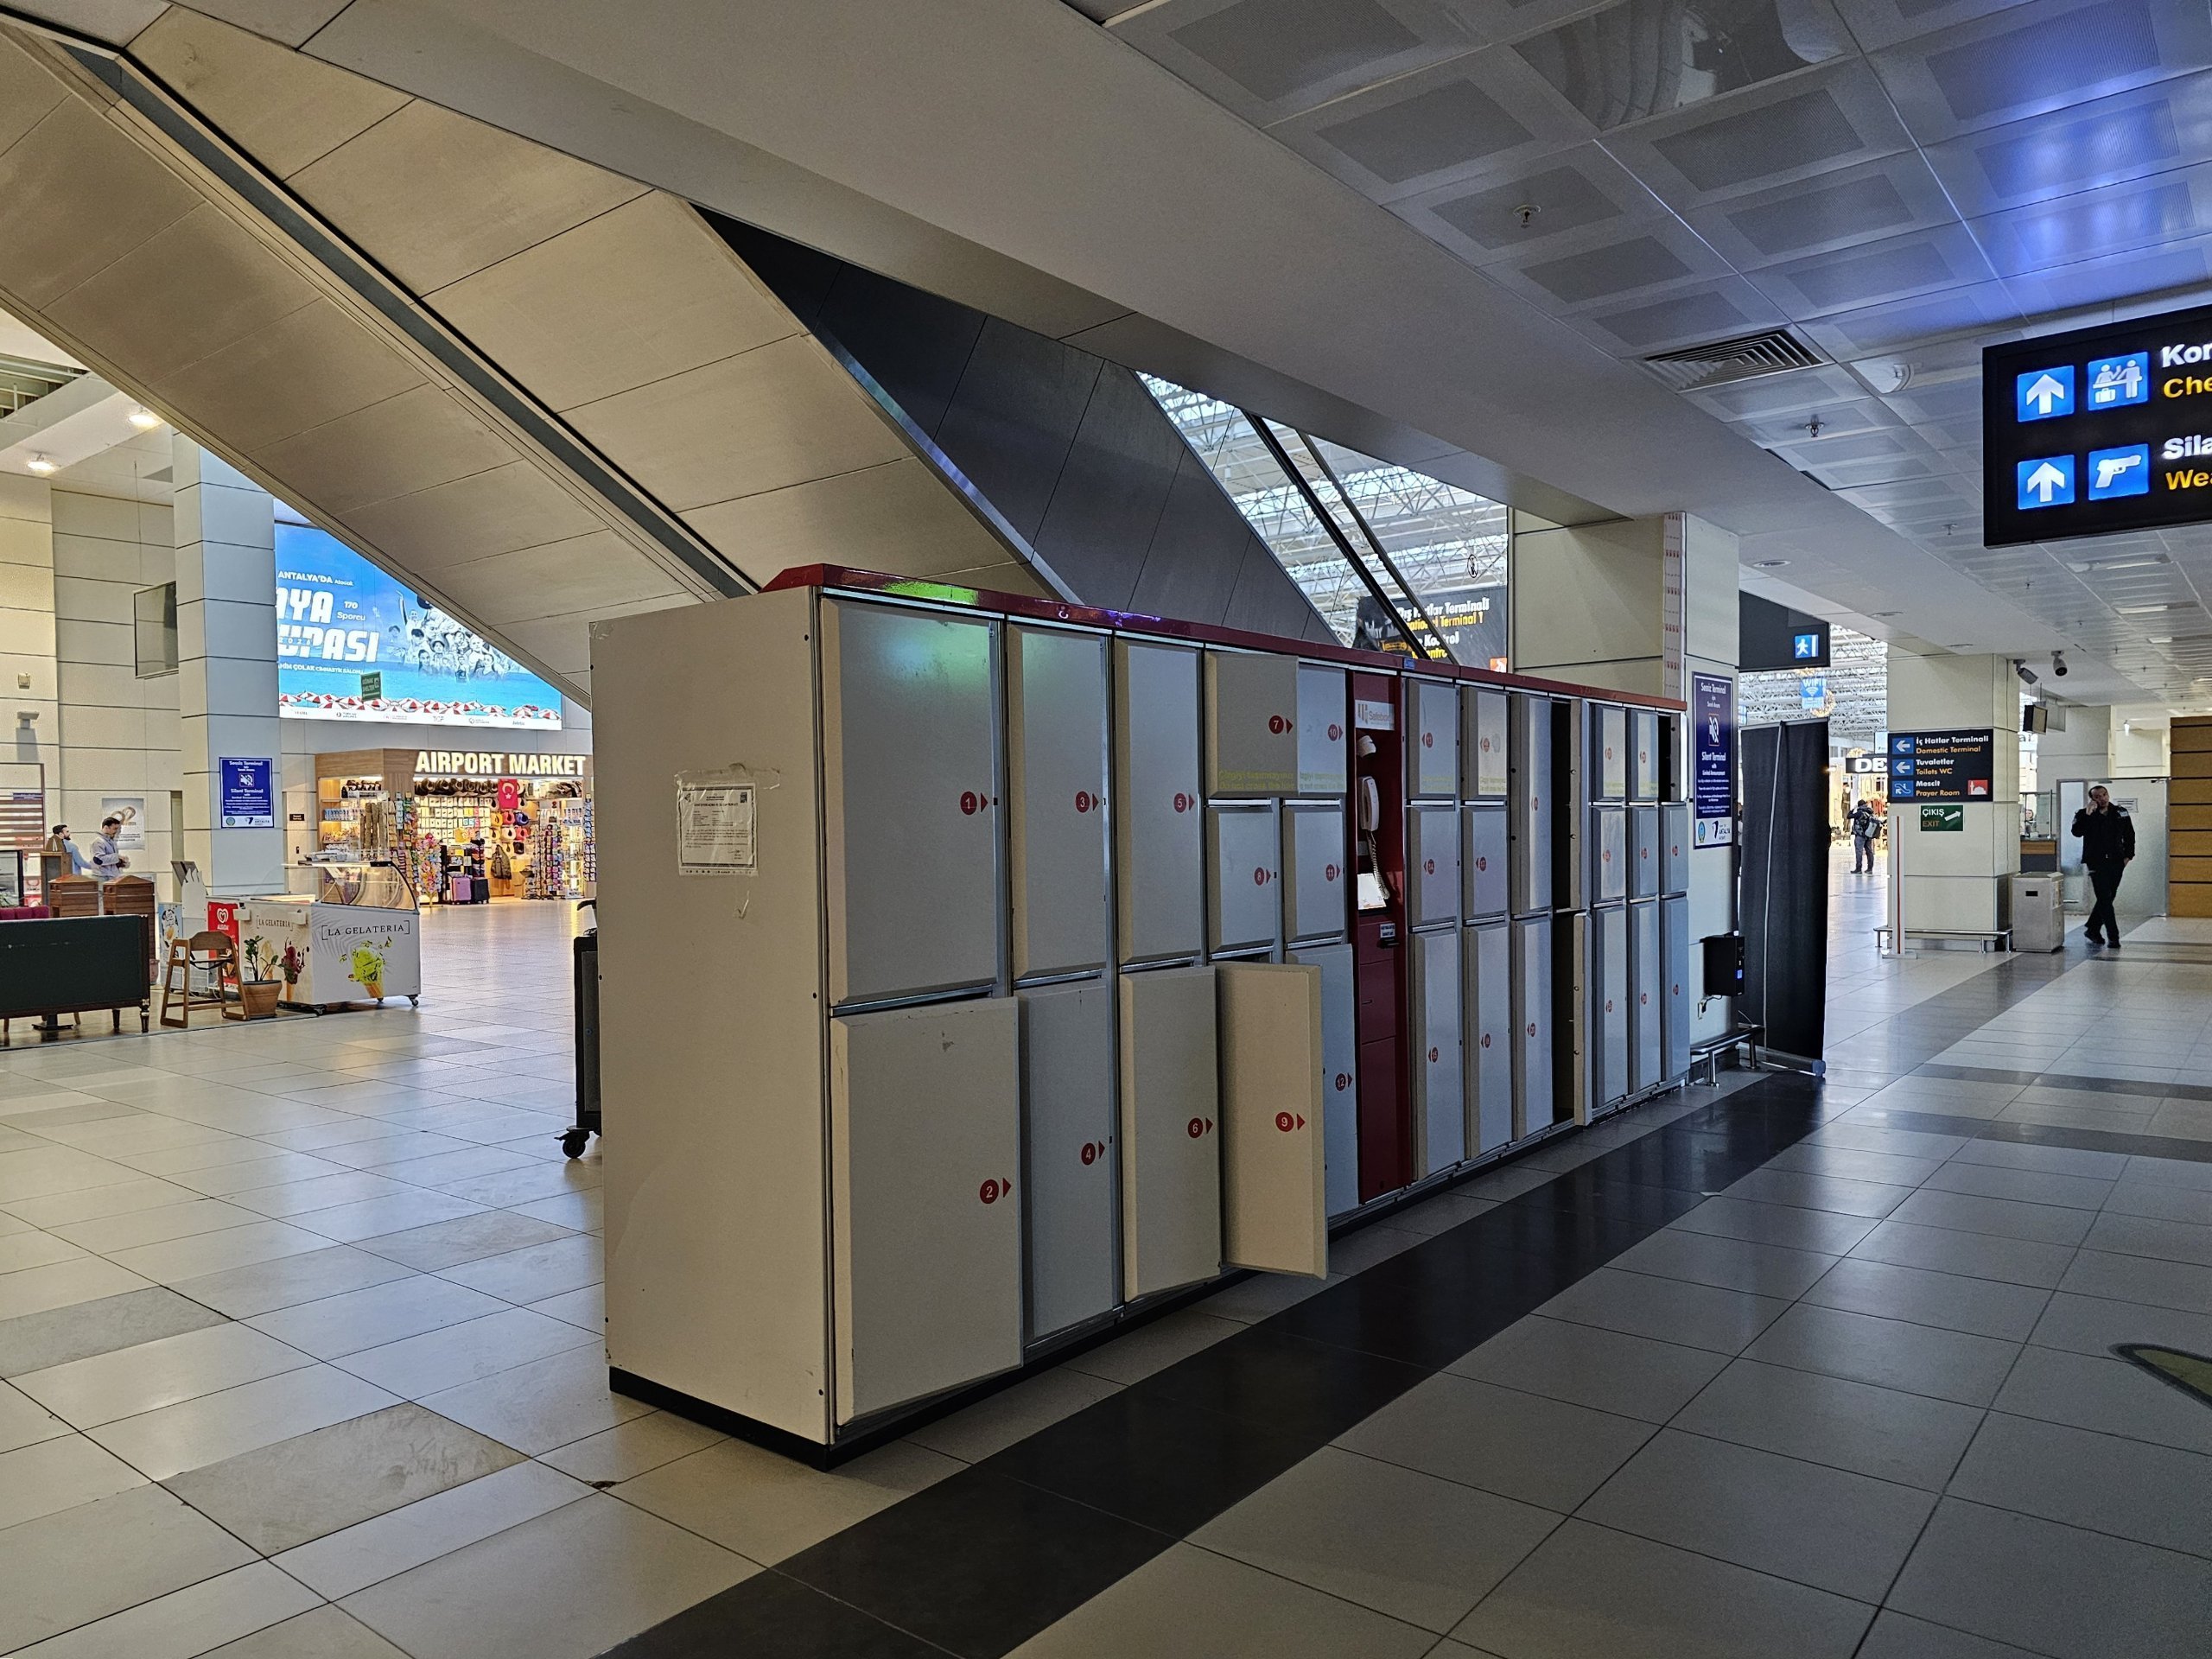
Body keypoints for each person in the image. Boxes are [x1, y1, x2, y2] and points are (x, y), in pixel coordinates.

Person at [2071, 784, 2136, 948]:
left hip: (2117, 861)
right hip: (2096, 861)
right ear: (2092, 799)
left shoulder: (2120, 812)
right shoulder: (2083, 814)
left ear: (2108, 795)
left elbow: (2130, 834)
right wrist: (2088, 814)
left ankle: (2092, 929)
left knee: (2109, 896)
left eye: (2104, 795)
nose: (2102, 799)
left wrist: (2128, 856)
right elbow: (2077, 832)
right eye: (2097, 797)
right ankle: (2113, 937)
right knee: (2105, 898)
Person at [88, 816, 129, 882]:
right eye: (115, 829)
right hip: (102, 877)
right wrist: (117, 857)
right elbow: (99, 860)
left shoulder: (111, 842)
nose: (117, 831)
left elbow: (110, 861)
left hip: (111, 877)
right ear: (106, 828)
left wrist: (120, 862)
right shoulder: (98, 842)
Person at [1848, 796, 1881, 873]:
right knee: (1869, 851)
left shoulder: (1859, 813)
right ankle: (1870, 869)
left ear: (1859, 805)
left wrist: (1852, 809)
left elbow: (1848, 816)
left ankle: (1858, 869)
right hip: (1868, 835)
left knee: (1859, 852)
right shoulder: (1870, 812)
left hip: (1860, 835)